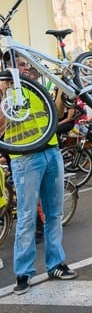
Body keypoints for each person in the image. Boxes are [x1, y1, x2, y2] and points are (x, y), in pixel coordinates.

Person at [0, 61, 78, 294]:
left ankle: (56, 264)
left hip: (51, 151)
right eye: (19, 66)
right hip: (24, 158)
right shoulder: (5, 96)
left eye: (26, 65)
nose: (25, 68)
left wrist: (62, 93)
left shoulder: (37, 90)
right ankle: (23, 272)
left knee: (54, 213)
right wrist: (5, 98)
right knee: (26, 216)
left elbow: (57, 112)